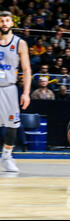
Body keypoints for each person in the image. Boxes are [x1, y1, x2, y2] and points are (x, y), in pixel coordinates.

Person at [0, 11, 31, 172]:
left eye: (7, 20)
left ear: (12, 23)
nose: (4, 23)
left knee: (13, 124)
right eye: (1, 21)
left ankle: (6, 156)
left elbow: (26, 70)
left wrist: (26, 93)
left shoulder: (20, 43)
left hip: (10, 88)